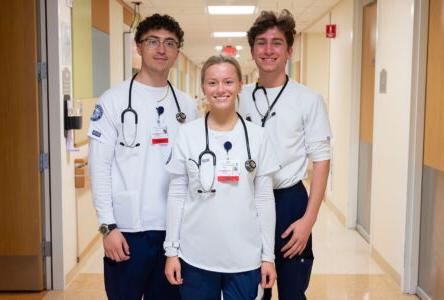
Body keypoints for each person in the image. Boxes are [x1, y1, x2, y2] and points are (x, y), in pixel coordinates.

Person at [87, 13, 197, 300]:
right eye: (153, 41)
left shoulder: (187, 106)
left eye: (170, 43)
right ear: (138, 47)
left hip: (175, 232)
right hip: (127, 230)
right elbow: (99, 166)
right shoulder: (113, 101)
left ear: (177, 53)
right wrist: (107, 226)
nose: (161, 49)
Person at [163, 55, 279, 300]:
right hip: (196, 255)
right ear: (203, 87)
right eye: (212, 82)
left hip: (245, 257)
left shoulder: (258, 137)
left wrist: (268, 257)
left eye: (228, 82)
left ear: (239, 86)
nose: (220, 89)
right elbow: (176, 195)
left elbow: (264, 200)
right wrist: (171, 251)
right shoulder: (187, 134)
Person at [238, 9, 332, 300]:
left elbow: (321, 160)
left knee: (292, 291)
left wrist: (308, 220)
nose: (268, 50)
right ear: (252, 50)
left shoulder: (308, 99)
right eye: (261, 42)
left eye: (277, 42)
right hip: (247, 200)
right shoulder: (238, 99)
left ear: (289, 50)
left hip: (290, 201)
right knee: (253, 290)